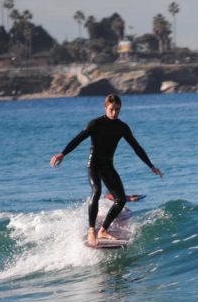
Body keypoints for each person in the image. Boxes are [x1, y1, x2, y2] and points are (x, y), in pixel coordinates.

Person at [51, 94, 162, 246]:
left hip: (108, 166)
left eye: (117, 109)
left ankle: (103, 230)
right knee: (96, 191)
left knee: (121, 200)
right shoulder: (95, 124)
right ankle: (91, 230)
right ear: (105, 108)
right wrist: (63, 153)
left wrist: (151, 166)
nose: (115, 113)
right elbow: (78, 138)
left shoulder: (122, 127)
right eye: (112, 109)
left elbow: (136, 147)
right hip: (94, 165)